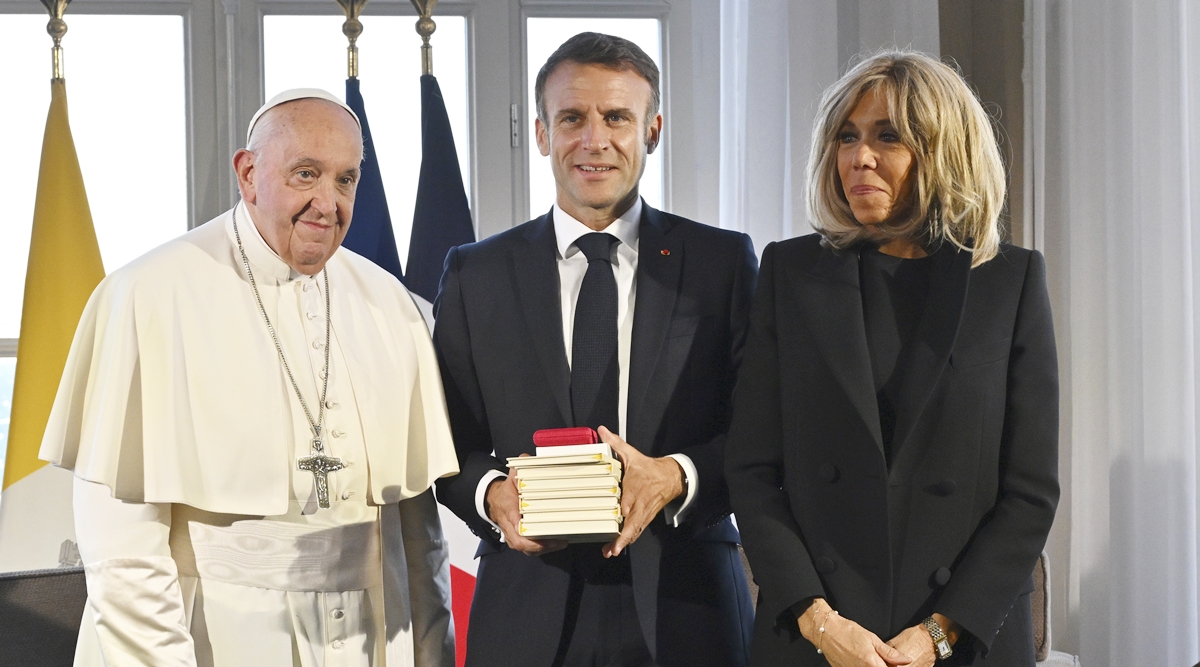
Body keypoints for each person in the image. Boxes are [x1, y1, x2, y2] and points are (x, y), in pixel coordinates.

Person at [40, 88, 460, 667]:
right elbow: (123, 549)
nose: (327, 202)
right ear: (248, 174)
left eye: (345, 180)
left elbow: (419, 533)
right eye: (305, 174)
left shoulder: (389, 302)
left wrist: (432, 654)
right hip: (217, 635)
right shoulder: (147, 296)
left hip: (369, 637)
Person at [725, 51, 1059, 667]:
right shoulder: (789, 274)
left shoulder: (1009, 281)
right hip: (812, 637)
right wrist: (821, 624)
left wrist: (938, 634)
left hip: (964, 640)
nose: (859, 157)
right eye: (846, 136)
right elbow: (749, 469)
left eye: (888, 136)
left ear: (944, 151)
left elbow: (1030, 494)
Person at [433, 32, 757, 667]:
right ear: (541, 133)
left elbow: (762, 432)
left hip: (687, 605)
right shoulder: (476, 273)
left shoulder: (723, 263)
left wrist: (675, 476)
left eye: (617, 117)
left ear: (652, 130)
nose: (594, 139)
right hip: (528, 608)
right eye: (572, 118)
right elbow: (442, 440)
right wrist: (492, 495)